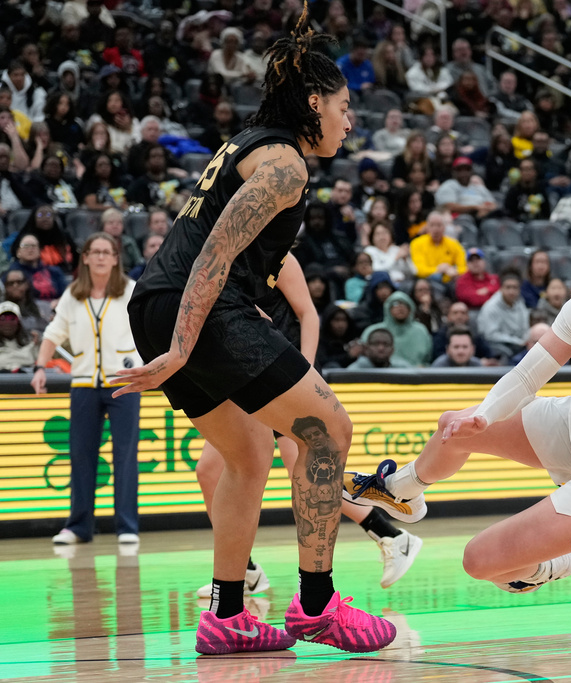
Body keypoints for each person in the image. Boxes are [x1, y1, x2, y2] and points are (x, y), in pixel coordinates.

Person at [110, 11, 398, 656]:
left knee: (248, 457)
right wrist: (184, 345)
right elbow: (213, 253)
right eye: (345, 107)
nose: (351, 122)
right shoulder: (285, 164)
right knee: (328, 431)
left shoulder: (253, 142)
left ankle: (228, 614)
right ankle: (318, 605)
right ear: (315, 101)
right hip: (195, 305)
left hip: (159, 300)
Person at [343, 184, 571, 594]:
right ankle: (403, 493)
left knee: (480, 561)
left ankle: (558, 562)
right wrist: (484, 415)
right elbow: (527, 376)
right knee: (454, 426)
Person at [194, 253, 422, 598]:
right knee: (209, 471)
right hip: (247, 373)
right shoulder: (224, 257)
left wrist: (305, 375)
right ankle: (246, 569)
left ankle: (391, 536)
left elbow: (308, 315)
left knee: (306, 473)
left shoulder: (279, 256)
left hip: (280, 372)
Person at [32, 233, 141, 545]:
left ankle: (127, 527)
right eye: (95, 252)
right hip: (83, 384)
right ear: (86, 257)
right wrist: (40, 366)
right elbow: (53, 333)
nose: (102, 257)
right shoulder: (72, 295)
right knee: (80, 455)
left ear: (116, 258)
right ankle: (79, 526)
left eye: (107, 252)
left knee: (125, 455)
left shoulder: (130, 292)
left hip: (123, 383)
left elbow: (149, 327)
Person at [361, 291, 433, 367]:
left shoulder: (421, 331)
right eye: (395, 304)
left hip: (415, 375)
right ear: (388, 308)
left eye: (404, 304)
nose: (400, 307)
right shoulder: (373, 331)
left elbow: (428, 359)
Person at [478, 270, 530, 360]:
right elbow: (491, 335)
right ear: (501, 288)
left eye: (515, 288)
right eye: (508, 287)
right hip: (496, 346)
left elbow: (525, 327)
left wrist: (526, 340)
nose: (511, 291)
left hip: (518, 344)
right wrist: (517, 341)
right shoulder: (491, 307)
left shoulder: (520, 302)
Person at [409, 211, 467, 283]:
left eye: (439, 225)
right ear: (427, 227)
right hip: (428, 281)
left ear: (444, 227)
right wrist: (439, 270)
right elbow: (419, 270)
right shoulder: (416, 243)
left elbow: (464, 268)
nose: (435, 229)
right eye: (432, 225)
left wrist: (454, 272)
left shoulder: (454, 244)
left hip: (450, 280)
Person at [0, 301, 37, 372]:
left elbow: (39, 361)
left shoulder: (31, 341)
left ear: (19, 322)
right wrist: (28, 351)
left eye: (12, 318)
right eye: (2, 319)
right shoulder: (31, 346)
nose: (7, 323)